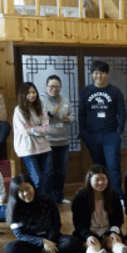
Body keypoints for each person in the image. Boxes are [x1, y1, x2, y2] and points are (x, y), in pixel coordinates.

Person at [4, 174, 81, 253]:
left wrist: (50, 241)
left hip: (52, 239)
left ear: (33, 187)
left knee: (73, 242)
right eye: (21, 191)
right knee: (9, 248)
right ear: (15, 193)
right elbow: (20, 235)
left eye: (28, 189)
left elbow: (56, 224)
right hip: (31, 242)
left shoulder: (47, 200)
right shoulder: (14, 208)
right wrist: (42, 242)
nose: (26, 193)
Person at [79, 60, 127, 196]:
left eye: (102, 73)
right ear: (92, 74)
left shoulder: (115, 91)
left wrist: (119, 131)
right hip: (91, 135)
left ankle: (117, 195)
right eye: (96, 73)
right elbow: (81, 113)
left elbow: (122, 113)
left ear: (107, 74)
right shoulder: (86, 91)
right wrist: (83, 132)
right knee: (98, 167)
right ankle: (102, 193)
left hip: (111, 135)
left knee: (113, 166)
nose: (99, 76)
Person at [72, 165, 127, 253]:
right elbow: (78, 222)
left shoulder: (113, 195)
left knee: (115, 242)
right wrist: (88, 235)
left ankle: (122, 252)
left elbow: (118, 218)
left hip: (108, 232)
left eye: (103, 179)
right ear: (89, 180)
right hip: (89, 233)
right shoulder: (80, 196)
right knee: (91, 245)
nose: (101, 183)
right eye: (97, 180)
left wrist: (114, 231)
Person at [13, 82, 52, 195]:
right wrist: (38, 129)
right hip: (28, 148)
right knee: (37, 179)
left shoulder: (40, 109)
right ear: (23, 95)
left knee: (47, 176)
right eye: (28, 93)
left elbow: (46, 129)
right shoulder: (19, 110)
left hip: (44, 147)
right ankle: (37, 201)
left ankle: (45, 201)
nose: (32, 95)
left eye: (33, 92)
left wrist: (32, 129)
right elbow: (24, 130)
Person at [41, 75, 75, 204]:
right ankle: (46, 199)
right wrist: (52, 113)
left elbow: (72, 116)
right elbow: (37, 119)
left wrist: (68, 118)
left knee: (61, 171)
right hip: (47, 142)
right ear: (46, 86)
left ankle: (59, 196)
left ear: (60, 87)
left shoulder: (65, 100)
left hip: (63, 141)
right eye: (51, 86)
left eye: (57, 86)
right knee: (48, 172)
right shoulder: (41, 100)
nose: (54, 89)